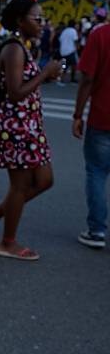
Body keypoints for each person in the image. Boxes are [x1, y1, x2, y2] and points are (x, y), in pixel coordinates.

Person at [0, 0, 62, 260]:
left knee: (44, 180)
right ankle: (8, 242)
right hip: (15, 128)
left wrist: (45, 75)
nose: (41, 23)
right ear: (20, 21)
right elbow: (15, 93)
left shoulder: (24, 47)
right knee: (20, 185)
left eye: (42, 19)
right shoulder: (14, 49)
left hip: (29, 126)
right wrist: (45, 73)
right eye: (36, 19)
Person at [72, 21, 110, 248]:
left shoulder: (101, 35)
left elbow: (87, 79)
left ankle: (97, 230)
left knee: (96, 173)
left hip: (102, 117)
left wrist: (78, 114)